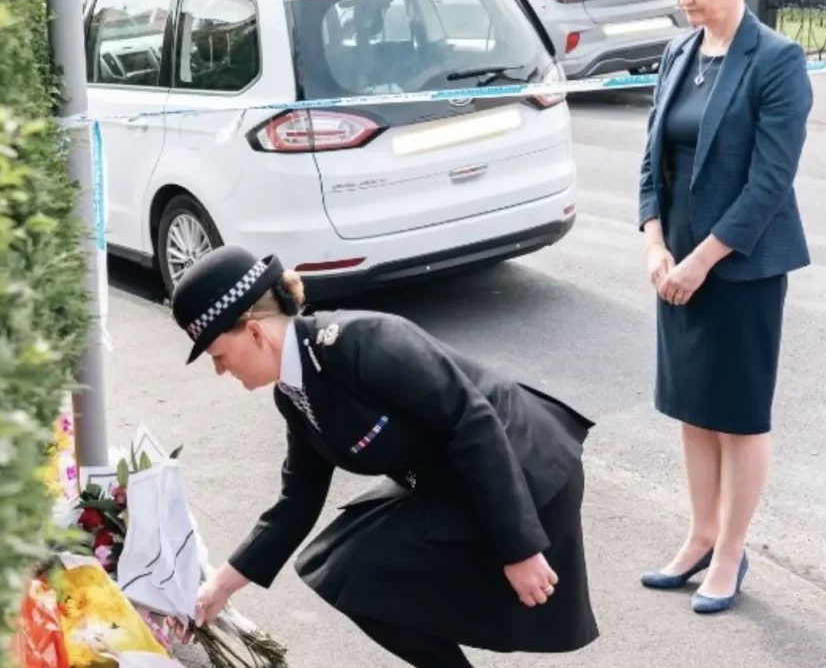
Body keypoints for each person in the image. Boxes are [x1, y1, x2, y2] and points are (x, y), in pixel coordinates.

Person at [168, 245, 599, 667]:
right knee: (345, 566)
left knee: (359, 566)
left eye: (218, 355)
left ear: (255, 331)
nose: (221, 370)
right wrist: (218, 588)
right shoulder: (294, 393)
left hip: (522, 472)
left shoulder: (363, 341)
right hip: (453, 477)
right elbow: (296, 503)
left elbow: (473, 422)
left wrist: (518, 549)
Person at [636, 0, 813, 614]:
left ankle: (732, 554)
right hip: (675, 262)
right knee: (693, 408)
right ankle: (699, 535)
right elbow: (653, 160)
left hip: (739, 268)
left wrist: (702, 260)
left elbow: (769, 184)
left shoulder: (778, 60)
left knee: (737, 416)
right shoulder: (679, 51)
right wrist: (655, 245)